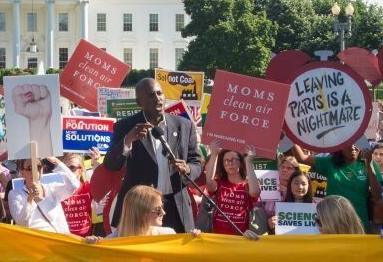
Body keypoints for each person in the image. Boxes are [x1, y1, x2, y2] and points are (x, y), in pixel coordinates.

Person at [103, 78, 202, 233]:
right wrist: (128, 140)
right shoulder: (125, 126)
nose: (157, 98)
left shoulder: (184, 125)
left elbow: (197, 162)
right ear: (139, 101)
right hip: (141, 209)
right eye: (150, 95)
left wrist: (187, 168)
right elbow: (110, 165)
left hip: (176, 206)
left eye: (159, 93)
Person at [85, 185, 250, 243]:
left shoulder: (168, 235)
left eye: (162, 207)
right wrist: (91, 246)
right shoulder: (112, 242)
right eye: (157, 209)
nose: (163, 212)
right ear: (140, 213)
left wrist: (194, 241)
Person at [293, 145, 383, 230]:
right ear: (340, 146)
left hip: (359, 223)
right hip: (333, 223)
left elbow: (377, 194)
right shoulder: (330, 162)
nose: (353, 146)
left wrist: (369, 166)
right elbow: (302, 158)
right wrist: (289, 135)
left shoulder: (369, 164)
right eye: (348, 143)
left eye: (356, 142)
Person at [8, 156, 79, 233]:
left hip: (60, 238)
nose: (34, 171)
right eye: (30, 168)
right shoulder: (15, 194)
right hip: (38, 241)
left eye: (38, 167)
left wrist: (58, 163)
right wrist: (30, 198)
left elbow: (73, 186)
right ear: (22, 173)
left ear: (41, 170)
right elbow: (22, 223)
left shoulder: (51, 189)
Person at [205, 140, 260, 235]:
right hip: (219, 238)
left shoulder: (247, 185)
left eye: (234, 160)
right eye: (226, 161)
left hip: (241, 239)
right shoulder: (220, 184)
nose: (230, 163)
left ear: (241, 162)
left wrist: (249, 161)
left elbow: (255, 192)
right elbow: (209, 182)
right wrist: (214, 154)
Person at [60, 153, 93, 237]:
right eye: (65, 168)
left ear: (81, 169)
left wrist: (95, 162)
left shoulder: (87, 187)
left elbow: (103, 185)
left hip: (85, 239)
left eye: (72, 168)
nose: (68, 171)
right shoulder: (57, 189)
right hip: (65, 238)